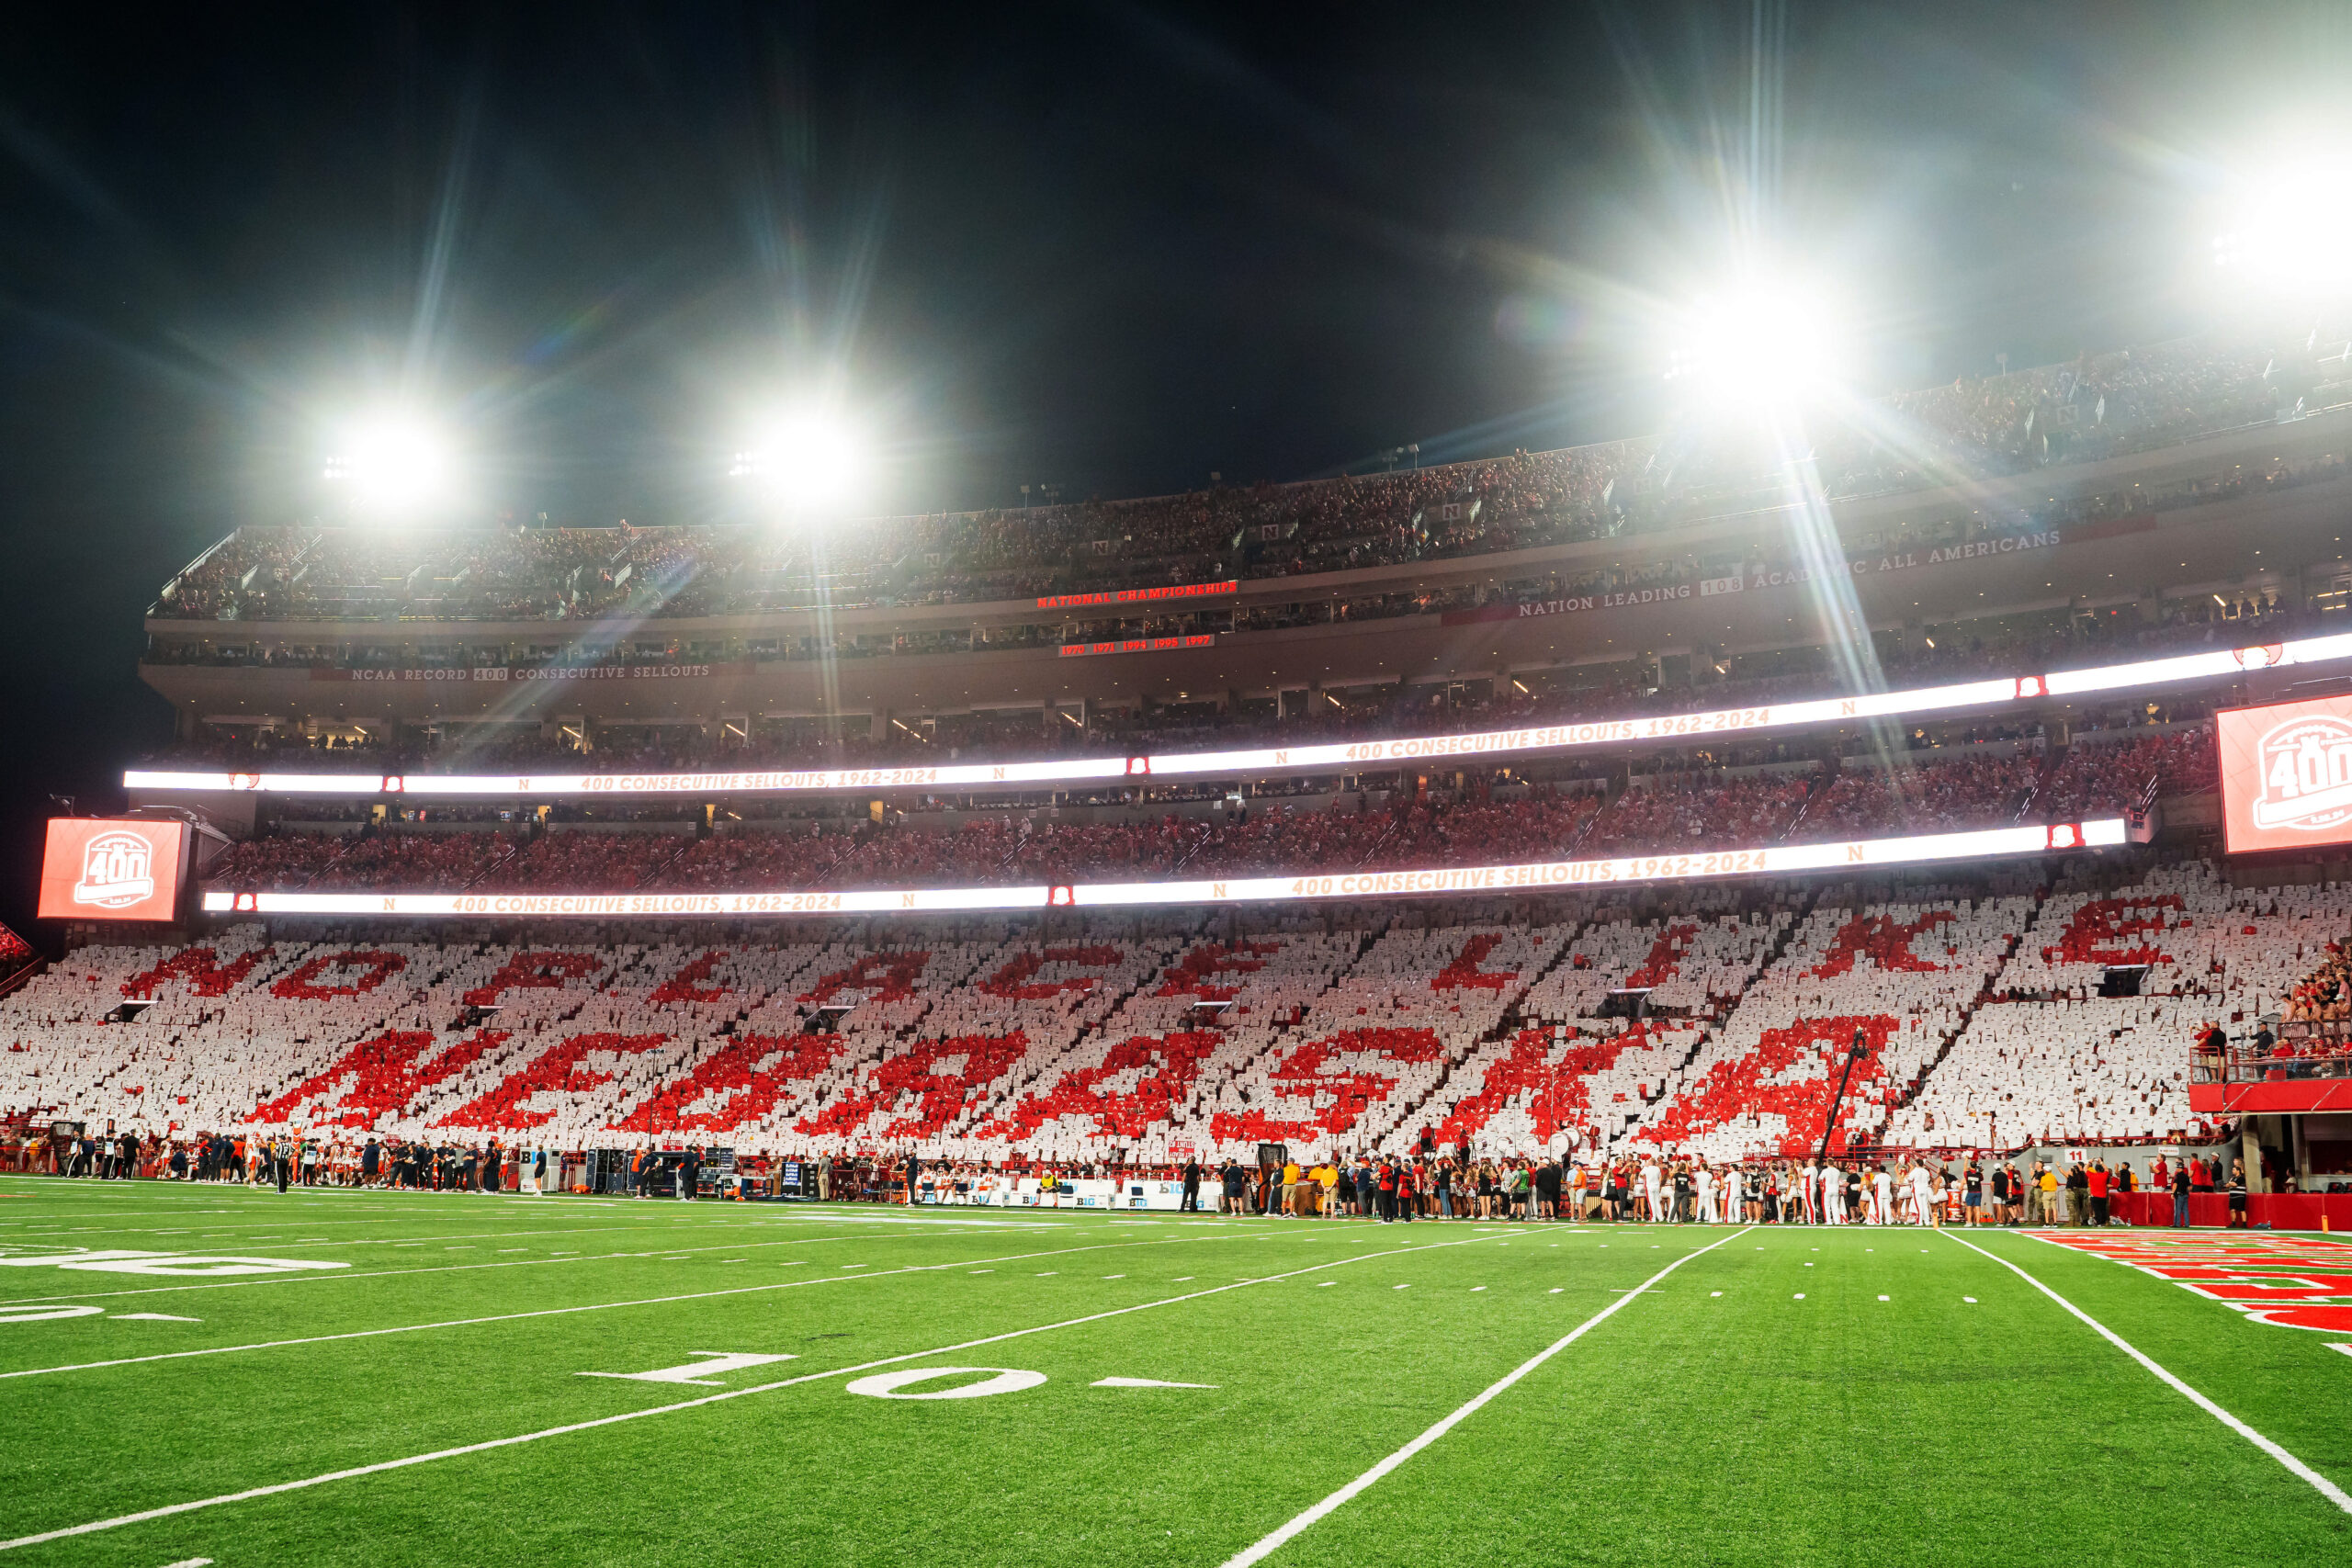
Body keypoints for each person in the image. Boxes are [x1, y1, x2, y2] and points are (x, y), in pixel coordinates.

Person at [2226, 1157, 2249, 1228]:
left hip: (2240, 1196)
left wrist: (2230, 1183)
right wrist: (2230, 1183)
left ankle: (2244, 1224)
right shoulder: (2232, 1178)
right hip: (2232, 1196)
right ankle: (2233, 1223)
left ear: (2238, 1171)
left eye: (2233, 1169)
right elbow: (2227, 1185)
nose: (2232, 1171)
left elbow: (2235, 1184)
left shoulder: (2241, 1178)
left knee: (2241, 1209)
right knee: (2232, 1210)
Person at [2171, 1156, 2192, 1228]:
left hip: (2179, 1195)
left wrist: (2172, 1193)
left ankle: (2177, 1224)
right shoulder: (2186, 1176)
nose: (2176, 1169)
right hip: (2185, 1195)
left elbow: (2175, 1185)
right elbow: (2189, 1187)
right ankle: (2187, 1224)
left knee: (2178, 1209)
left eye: (2177, 1167)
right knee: (2185, 1210)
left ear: (2179, 1168)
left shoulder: (2177, 1176)